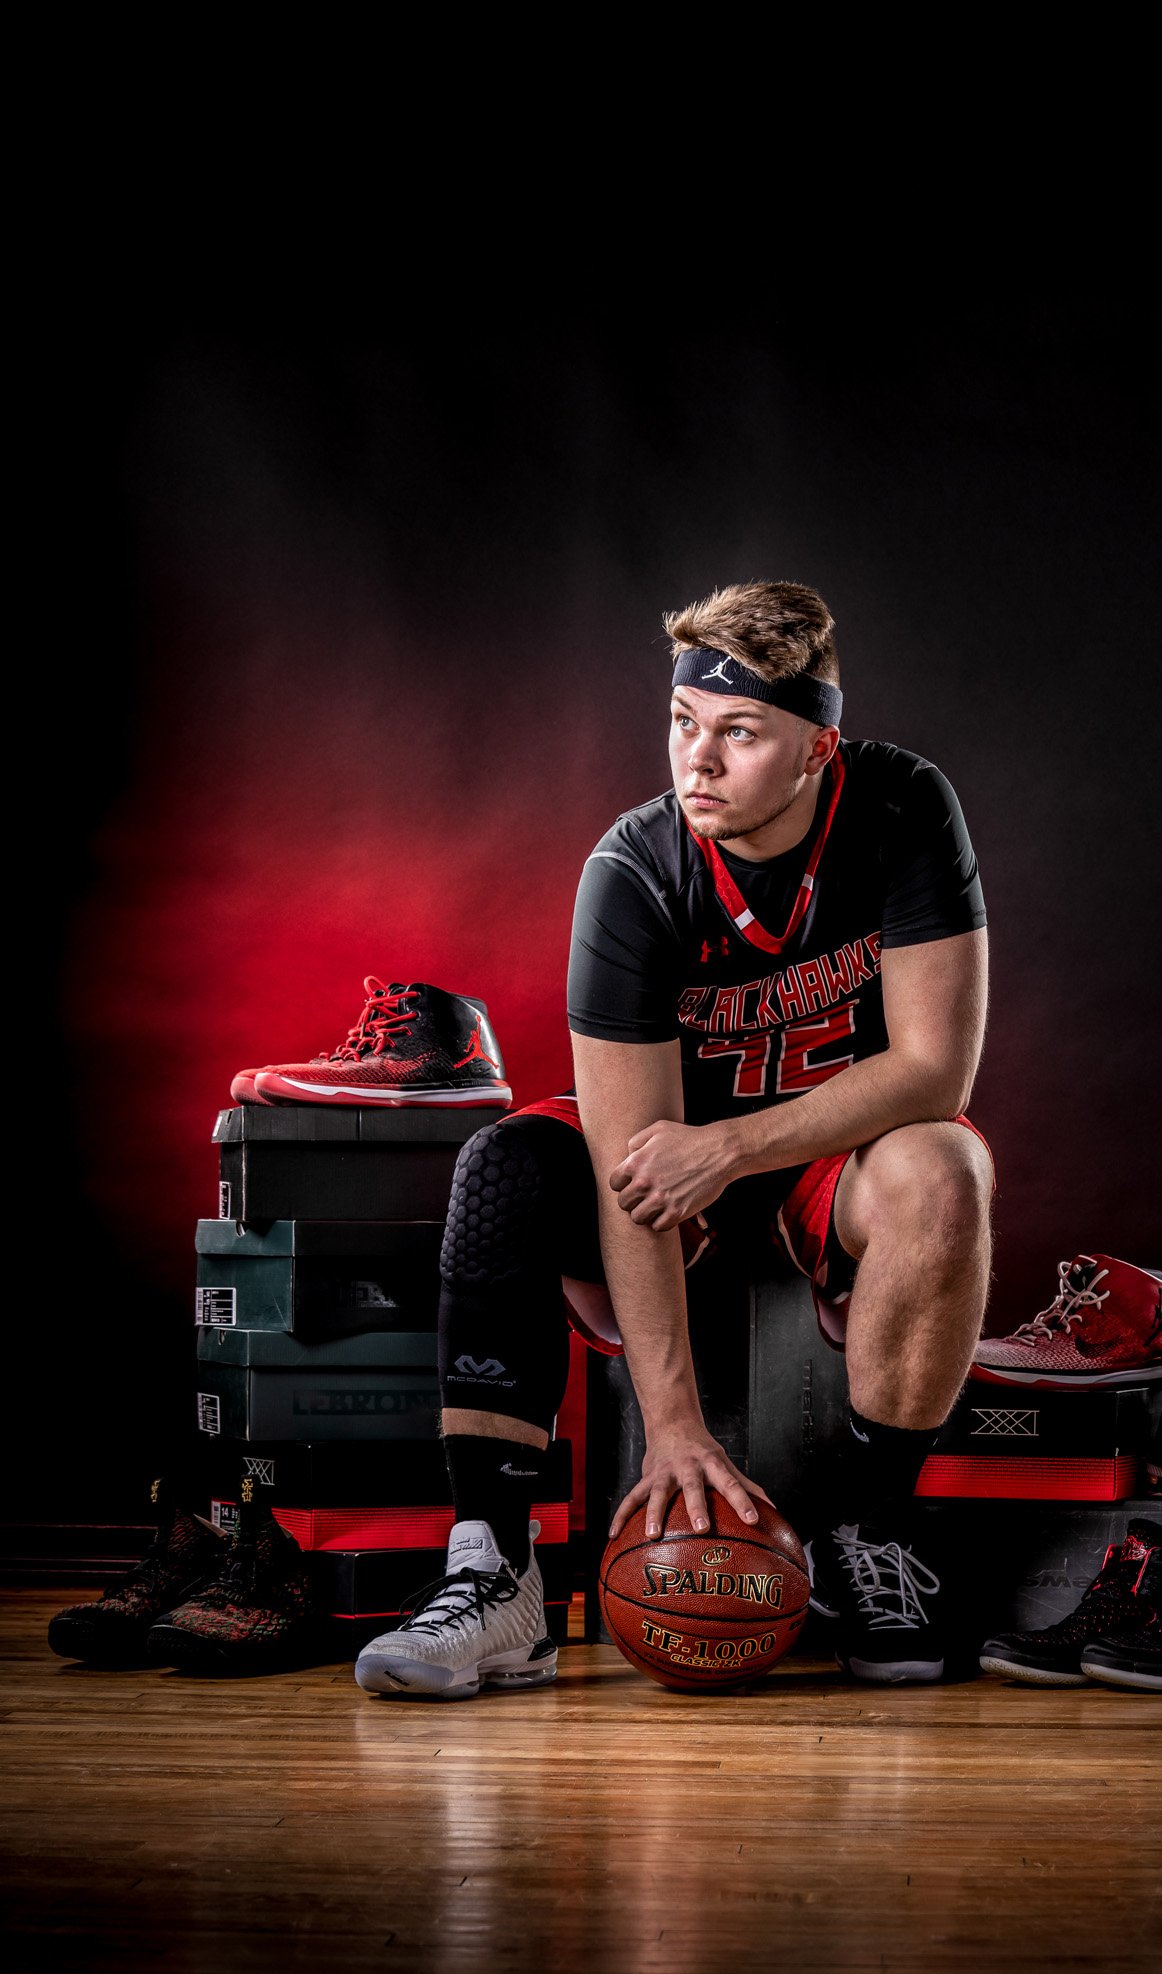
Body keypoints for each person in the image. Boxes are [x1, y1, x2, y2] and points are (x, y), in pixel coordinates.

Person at [354, 581, 992, 1698]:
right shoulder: (633, 872)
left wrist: (734, 1148)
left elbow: (934, 1072)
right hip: (664, 1170)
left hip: (824, 1158)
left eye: (739, 733)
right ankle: (498, 1572)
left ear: (814, 749)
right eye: (683, 724)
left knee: (947, 1167)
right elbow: (625, 1161)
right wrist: (676, 1428)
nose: (697, 761)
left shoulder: (899, 808)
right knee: (500, 1168)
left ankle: (872, 1535)